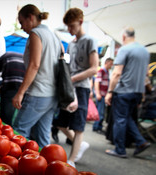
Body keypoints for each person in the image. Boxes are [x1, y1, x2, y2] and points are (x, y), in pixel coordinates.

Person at [11, 4, 62, 148]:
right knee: (43, 137)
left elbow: (34, 64)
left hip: (38, 93)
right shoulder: (54, 36)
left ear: (31, 18)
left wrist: (20, 93)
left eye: (22, 22)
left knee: (18, 132)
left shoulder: (36, 34)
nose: (22, 27)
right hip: (52, 95)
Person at [56, 8, 99, 168]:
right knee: (60, 123)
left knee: (78, 127)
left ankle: (71, 161)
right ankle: (80, 144)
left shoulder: (90, 40)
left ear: (80, 22)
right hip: (69, 88)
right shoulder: (71, 43)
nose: (69, 29)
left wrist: (72, 78)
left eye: (72, 25)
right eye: (67, 26)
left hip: (81, 88)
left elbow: (95, 68)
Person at [105, 27, 151, 158]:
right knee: (128, 118)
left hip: (123, 91)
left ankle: (120, 149)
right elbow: (146, 74)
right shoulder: (144, 51)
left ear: (124, 37)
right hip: (137, 91)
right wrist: (141, 93)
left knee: (119, 120)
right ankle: (141, 142)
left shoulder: (124, 49)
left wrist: (110, 92)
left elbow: (117, 73)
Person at [0, 52, 25, 125]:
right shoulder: (25, 57)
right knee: (22, 121)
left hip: (9, 87)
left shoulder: (5, 56)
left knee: (6, 121)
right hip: (26, 88)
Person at [92, 58, 113, 133]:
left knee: (101, 112)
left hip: (104, 94)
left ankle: (98, 126)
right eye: (111, 63)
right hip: (101, 94)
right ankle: (97, 127)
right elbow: (97, 82)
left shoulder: (106, 71)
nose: (112, 65)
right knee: (100, 112)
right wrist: (98, 94)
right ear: (106, 63)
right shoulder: (101, 71)